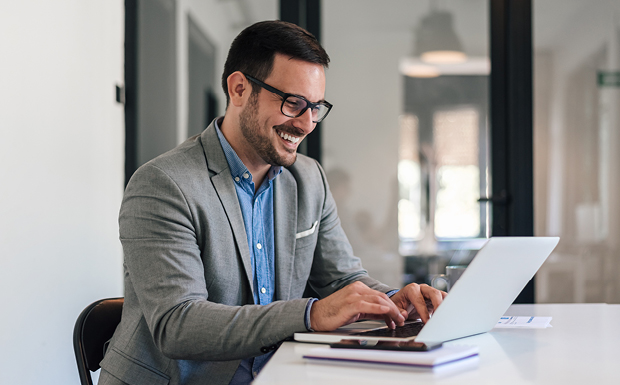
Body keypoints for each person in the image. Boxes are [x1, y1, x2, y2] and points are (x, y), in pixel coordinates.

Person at [98, 20, 445, 385]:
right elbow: (178, 325)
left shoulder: (309, 179)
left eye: (315, 107)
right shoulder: (164, 184)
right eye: (293, 103)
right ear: (239, 89)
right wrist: (310, 315)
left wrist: (394, 300)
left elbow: (342, 279)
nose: (307, 124)